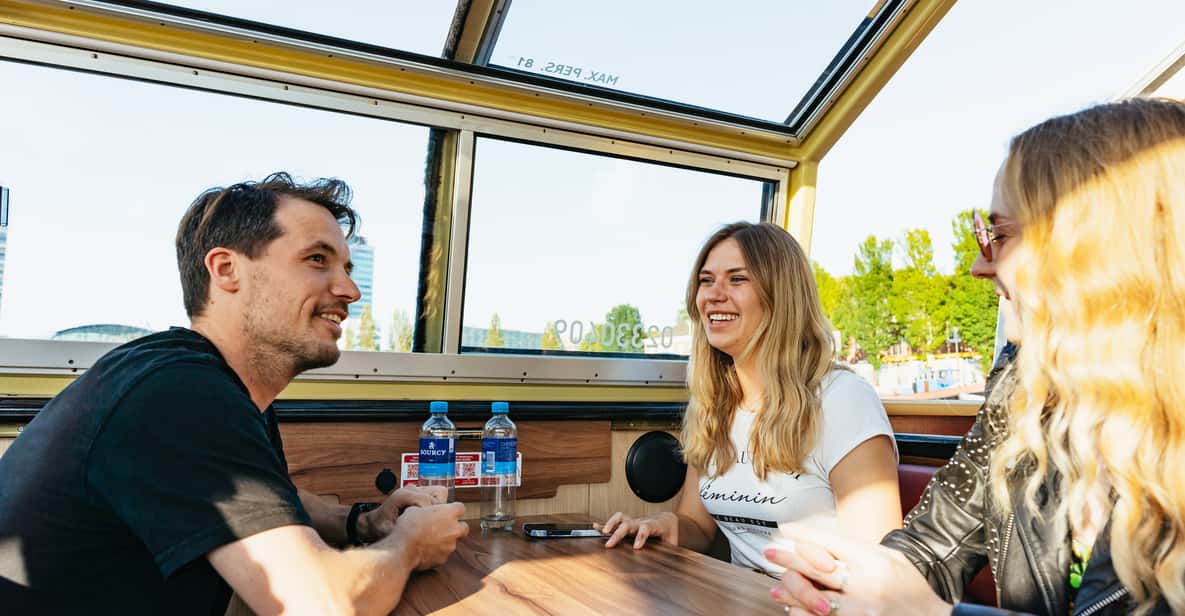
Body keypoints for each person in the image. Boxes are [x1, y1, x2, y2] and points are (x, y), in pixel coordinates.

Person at [769, 98, 1185, 615]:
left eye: (1000, 237)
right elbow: (931, 546)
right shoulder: (1024, 391)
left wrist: (931, 614)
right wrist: (840, 582)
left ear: (1098, 252)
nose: (977, 266)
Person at [0, 173, 469, 614]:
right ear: (226, 270)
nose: (349, 290)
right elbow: (318, 604)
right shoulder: (180, 394)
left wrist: (362, 522)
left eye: (347, 267)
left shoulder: (203, 381)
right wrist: (409, 545)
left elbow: (263, 502)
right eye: (317, 259)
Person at [596, 222, 901, 577]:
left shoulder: (843, 400)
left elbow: (878, 565)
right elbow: (698, 525)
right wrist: (665, 525)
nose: (713, 295)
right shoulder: (712, 404)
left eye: (737, 279)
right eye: (706, 280)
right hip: (740, 596)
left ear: (781, 295)